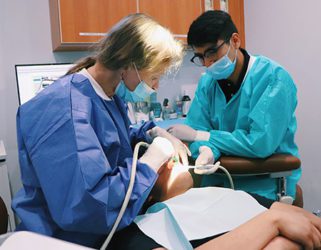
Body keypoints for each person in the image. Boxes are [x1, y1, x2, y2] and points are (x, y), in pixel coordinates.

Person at [12, 13, 192, 249]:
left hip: (100, 231)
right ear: (129, 64)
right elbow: (87, 205)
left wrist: (152, 133)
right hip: (63, 239)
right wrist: (149, 163)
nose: (156, 87)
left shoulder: (106, 96)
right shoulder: (65, 110)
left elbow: (114, 140)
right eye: (154, 77)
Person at [168, 10, 301, 201]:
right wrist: (207, 150)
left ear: (235, 41)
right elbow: (195, 129)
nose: (207, 62)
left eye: (212, 52)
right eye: (200, 56)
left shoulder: (274, 79)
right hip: (217, 184)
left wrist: (204, 137)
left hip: (264, 186)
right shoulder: (208, 83)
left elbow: (260, 143)